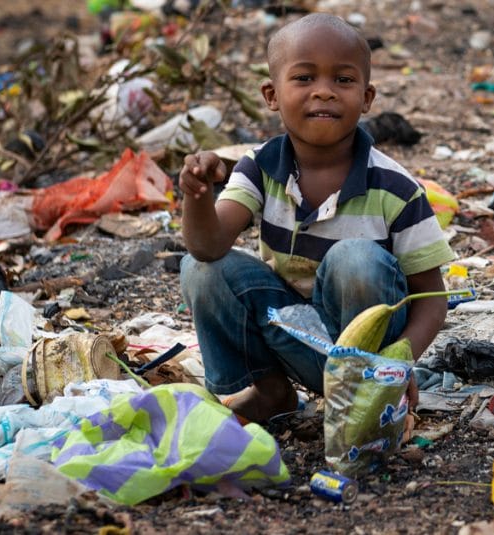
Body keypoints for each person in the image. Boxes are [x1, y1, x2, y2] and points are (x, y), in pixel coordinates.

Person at [178, 13, 455, 423]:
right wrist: (198, 196)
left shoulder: (394, 187)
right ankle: (272, 392)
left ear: (366, 98)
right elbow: (208, 246)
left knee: (355, 260)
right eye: (304, 78)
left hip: (370, 363)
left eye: (342, 80)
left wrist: (399, 361)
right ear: (272, 95)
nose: (323, 92)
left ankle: (364, 401)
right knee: (200, 270)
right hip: (290, 336)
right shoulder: (258, 168)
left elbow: (432, 297)